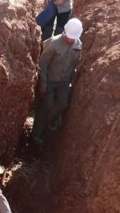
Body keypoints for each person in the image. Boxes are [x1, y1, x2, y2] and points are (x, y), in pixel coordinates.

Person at [32, 18, 83, 146]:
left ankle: (48, 122)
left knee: (62, 103)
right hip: (50, 80)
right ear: (65, 31)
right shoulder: (53, 44)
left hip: (64, 82)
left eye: (73, 38)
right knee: (46, 106)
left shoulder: (78, 44)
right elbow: (43, 65)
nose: (71, 40)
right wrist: (43, 83)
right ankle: (36, 134)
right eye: (69, 37)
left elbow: (75, 64)